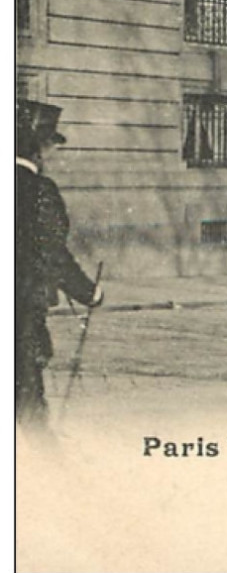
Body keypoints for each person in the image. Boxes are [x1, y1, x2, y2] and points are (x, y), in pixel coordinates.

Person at [16, 101, 102, 426]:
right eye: (51, 145)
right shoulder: (40, 190)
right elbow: (51, 254)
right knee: (28, 409)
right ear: (37, 148)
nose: (52, 154)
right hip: (20, 312)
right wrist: (89, 293)